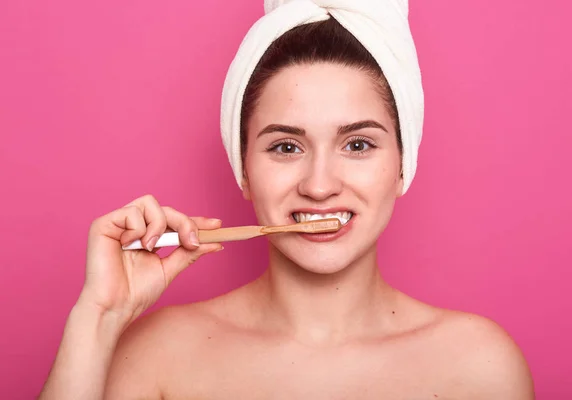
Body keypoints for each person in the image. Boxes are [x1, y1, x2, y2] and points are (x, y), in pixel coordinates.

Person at [39, 4, 535, 400]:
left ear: (403, 164)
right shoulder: (154, 357)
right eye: (286, 147)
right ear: (244, 170)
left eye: (358, 144)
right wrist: (98, 318)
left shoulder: (480, 367)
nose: (319, 186)